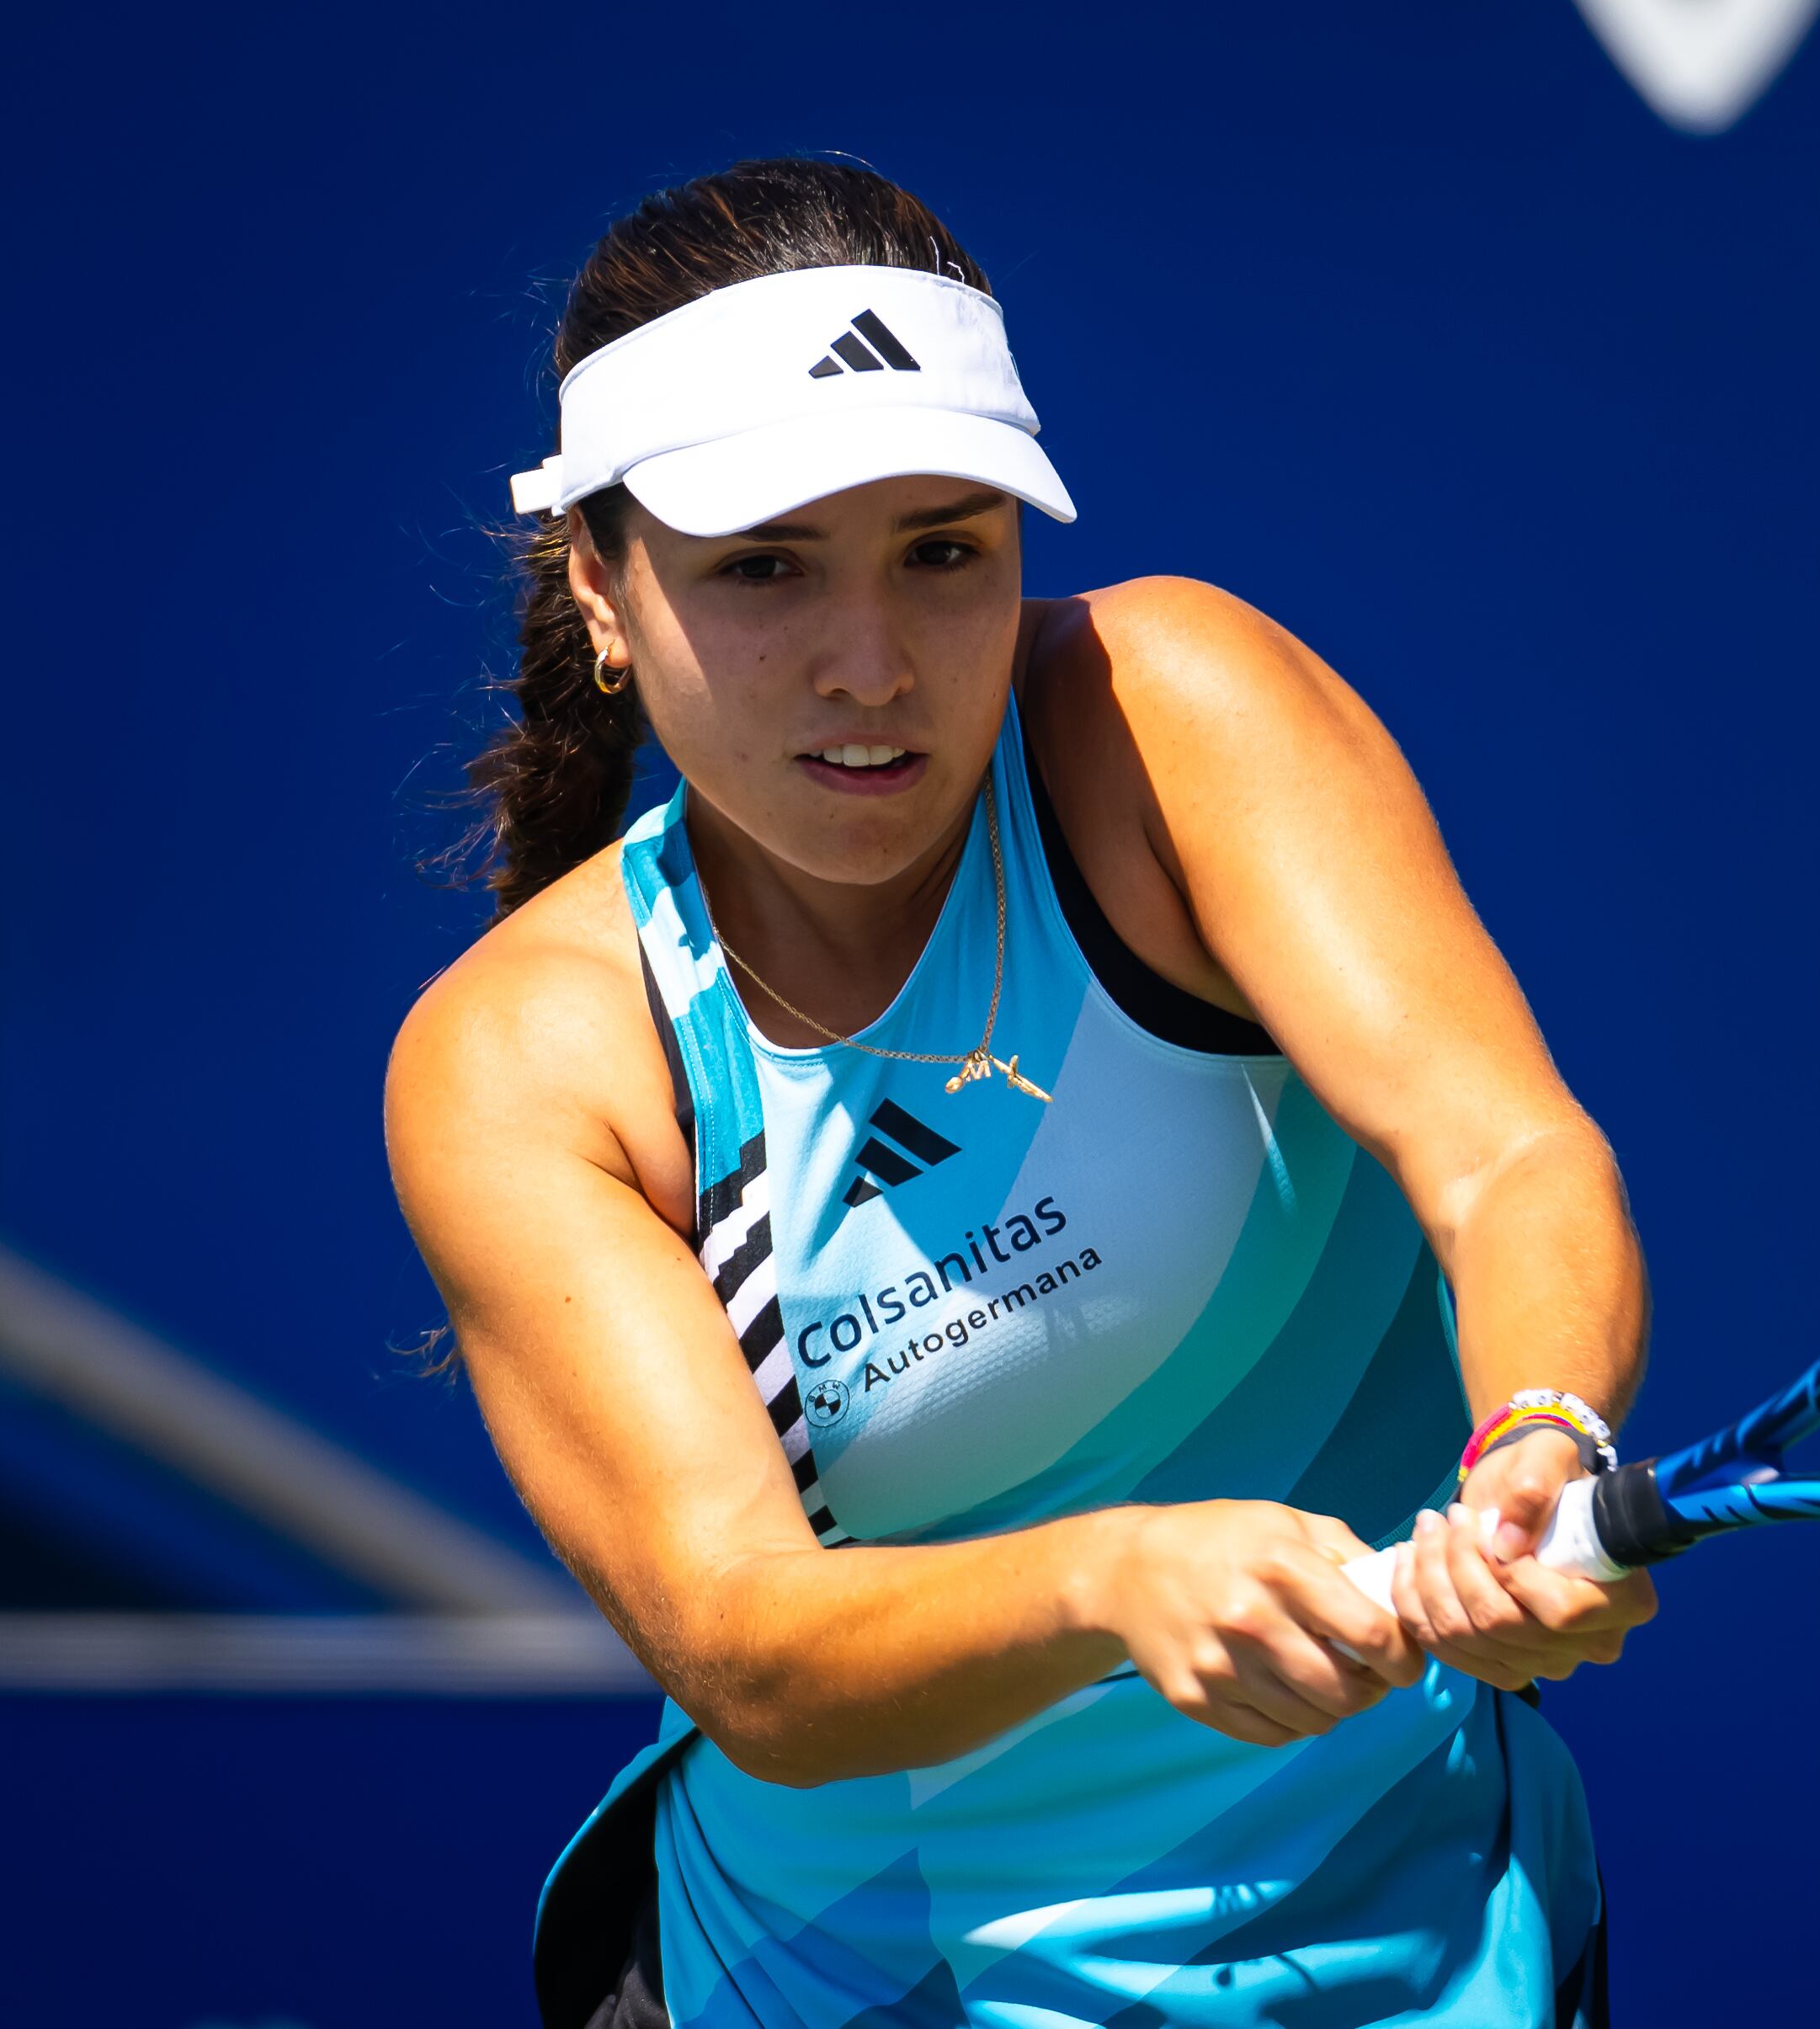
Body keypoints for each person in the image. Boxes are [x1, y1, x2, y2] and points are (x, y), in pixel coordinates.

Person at [386, 158, 1655, 2029]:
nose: (873, 665)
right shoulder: (527, 1059)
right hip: (832, 1988)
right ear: (602, 583)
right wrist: (1111, 1580)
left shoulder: (1172, 715)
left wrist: (1540, 1433)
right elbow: (746, 1641)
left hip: (1424, 1941)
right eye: (764, 567)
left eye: (942, 549)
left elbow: (1508, 1151)